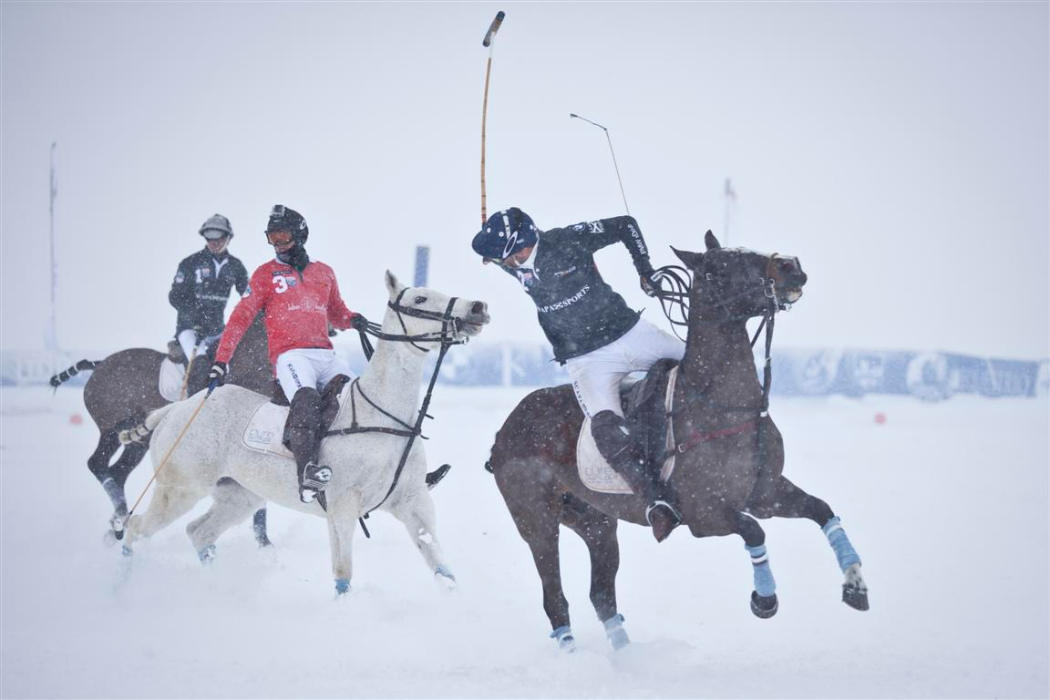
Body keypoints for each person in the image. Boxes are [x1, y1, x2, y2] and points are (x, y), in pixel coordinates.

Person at [472, 207, 685, 542]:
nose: (514, 262)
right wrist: (490, 249)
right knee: (605, 426)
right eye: (506, 259)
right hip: (586, 359)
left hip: (630, 333)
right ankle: (655, 498)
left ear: (531, 238)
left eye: (518, 254)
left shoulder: (567, 240)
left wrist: (647, 272)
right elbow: (487, 250)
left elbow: (626, 225)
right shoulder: (507, 262)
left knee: (701, 364)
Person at [208, 205, 366, 504]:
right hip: (291, 357)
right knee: (306, 399)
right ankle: (306, 475)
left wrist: (353, 319)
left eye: (282, 236)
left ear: (300, 235)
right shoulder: (265, 274)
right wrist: (221, 360)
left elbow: (337, 313)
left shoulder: (324, 272)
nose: (278, 244)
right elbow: (240, 318)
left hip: (326, 356)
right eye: (272, 237)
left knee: (355, 399)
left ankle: (365, 465)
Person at [168, 214, 249, 393]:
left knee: (226, 368)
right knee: (201, 365)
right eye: (209, 236)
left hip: (217, 330)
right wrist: (194, 319)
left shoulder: (235, 266)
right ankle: (191, 407)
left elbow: (249, 297)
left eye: (218, 237)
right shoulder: (190, 263)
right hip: (190, 329)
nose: (214, 242)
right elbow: (175, 296)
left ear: (228, 238)